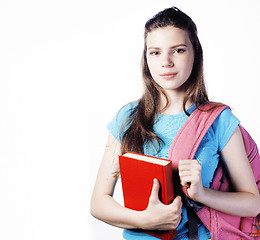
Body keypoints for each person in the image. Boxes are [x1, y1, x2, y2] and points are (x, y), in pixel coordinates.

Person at [90, 7, 260, 240]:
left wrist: (202, 194)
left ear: (195, 53)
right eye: (155, 52)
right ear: (146, 58)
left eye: (178, 50)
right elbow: (99, 202)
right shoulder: (128, 117)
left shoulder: (219, 120)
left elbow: (252, 203)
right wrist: (146, 220)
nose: (166, 62)